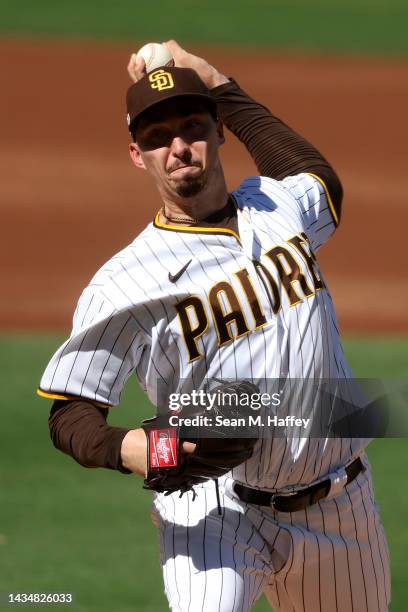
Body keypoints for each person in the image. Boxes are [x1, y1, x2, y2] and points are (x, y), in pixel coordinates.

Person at [38, 40, 390, 611]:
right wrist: (141, 449)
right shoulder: (123, 282)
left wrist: (218, 80)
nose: (179, 147)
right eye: (157, 138)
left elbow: (320, 181)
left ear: (219, 131)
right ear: (137, 155)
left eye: (193, 127)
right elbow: (71, 412)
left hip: (340, 508)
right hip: (212, 509)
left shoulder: (275, 206)